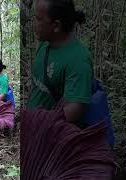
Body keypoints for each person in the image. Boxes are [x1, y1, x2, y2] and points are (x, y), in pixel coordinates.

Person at [27, 0, 93, 129]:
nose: (33, 23)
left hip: (52, 135)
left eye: (38, 19)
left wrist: (44, 121)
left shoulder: (78, 59)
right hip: (34, 129)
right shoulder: (45, 44)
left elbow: (76, 108)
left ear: (56, 26)